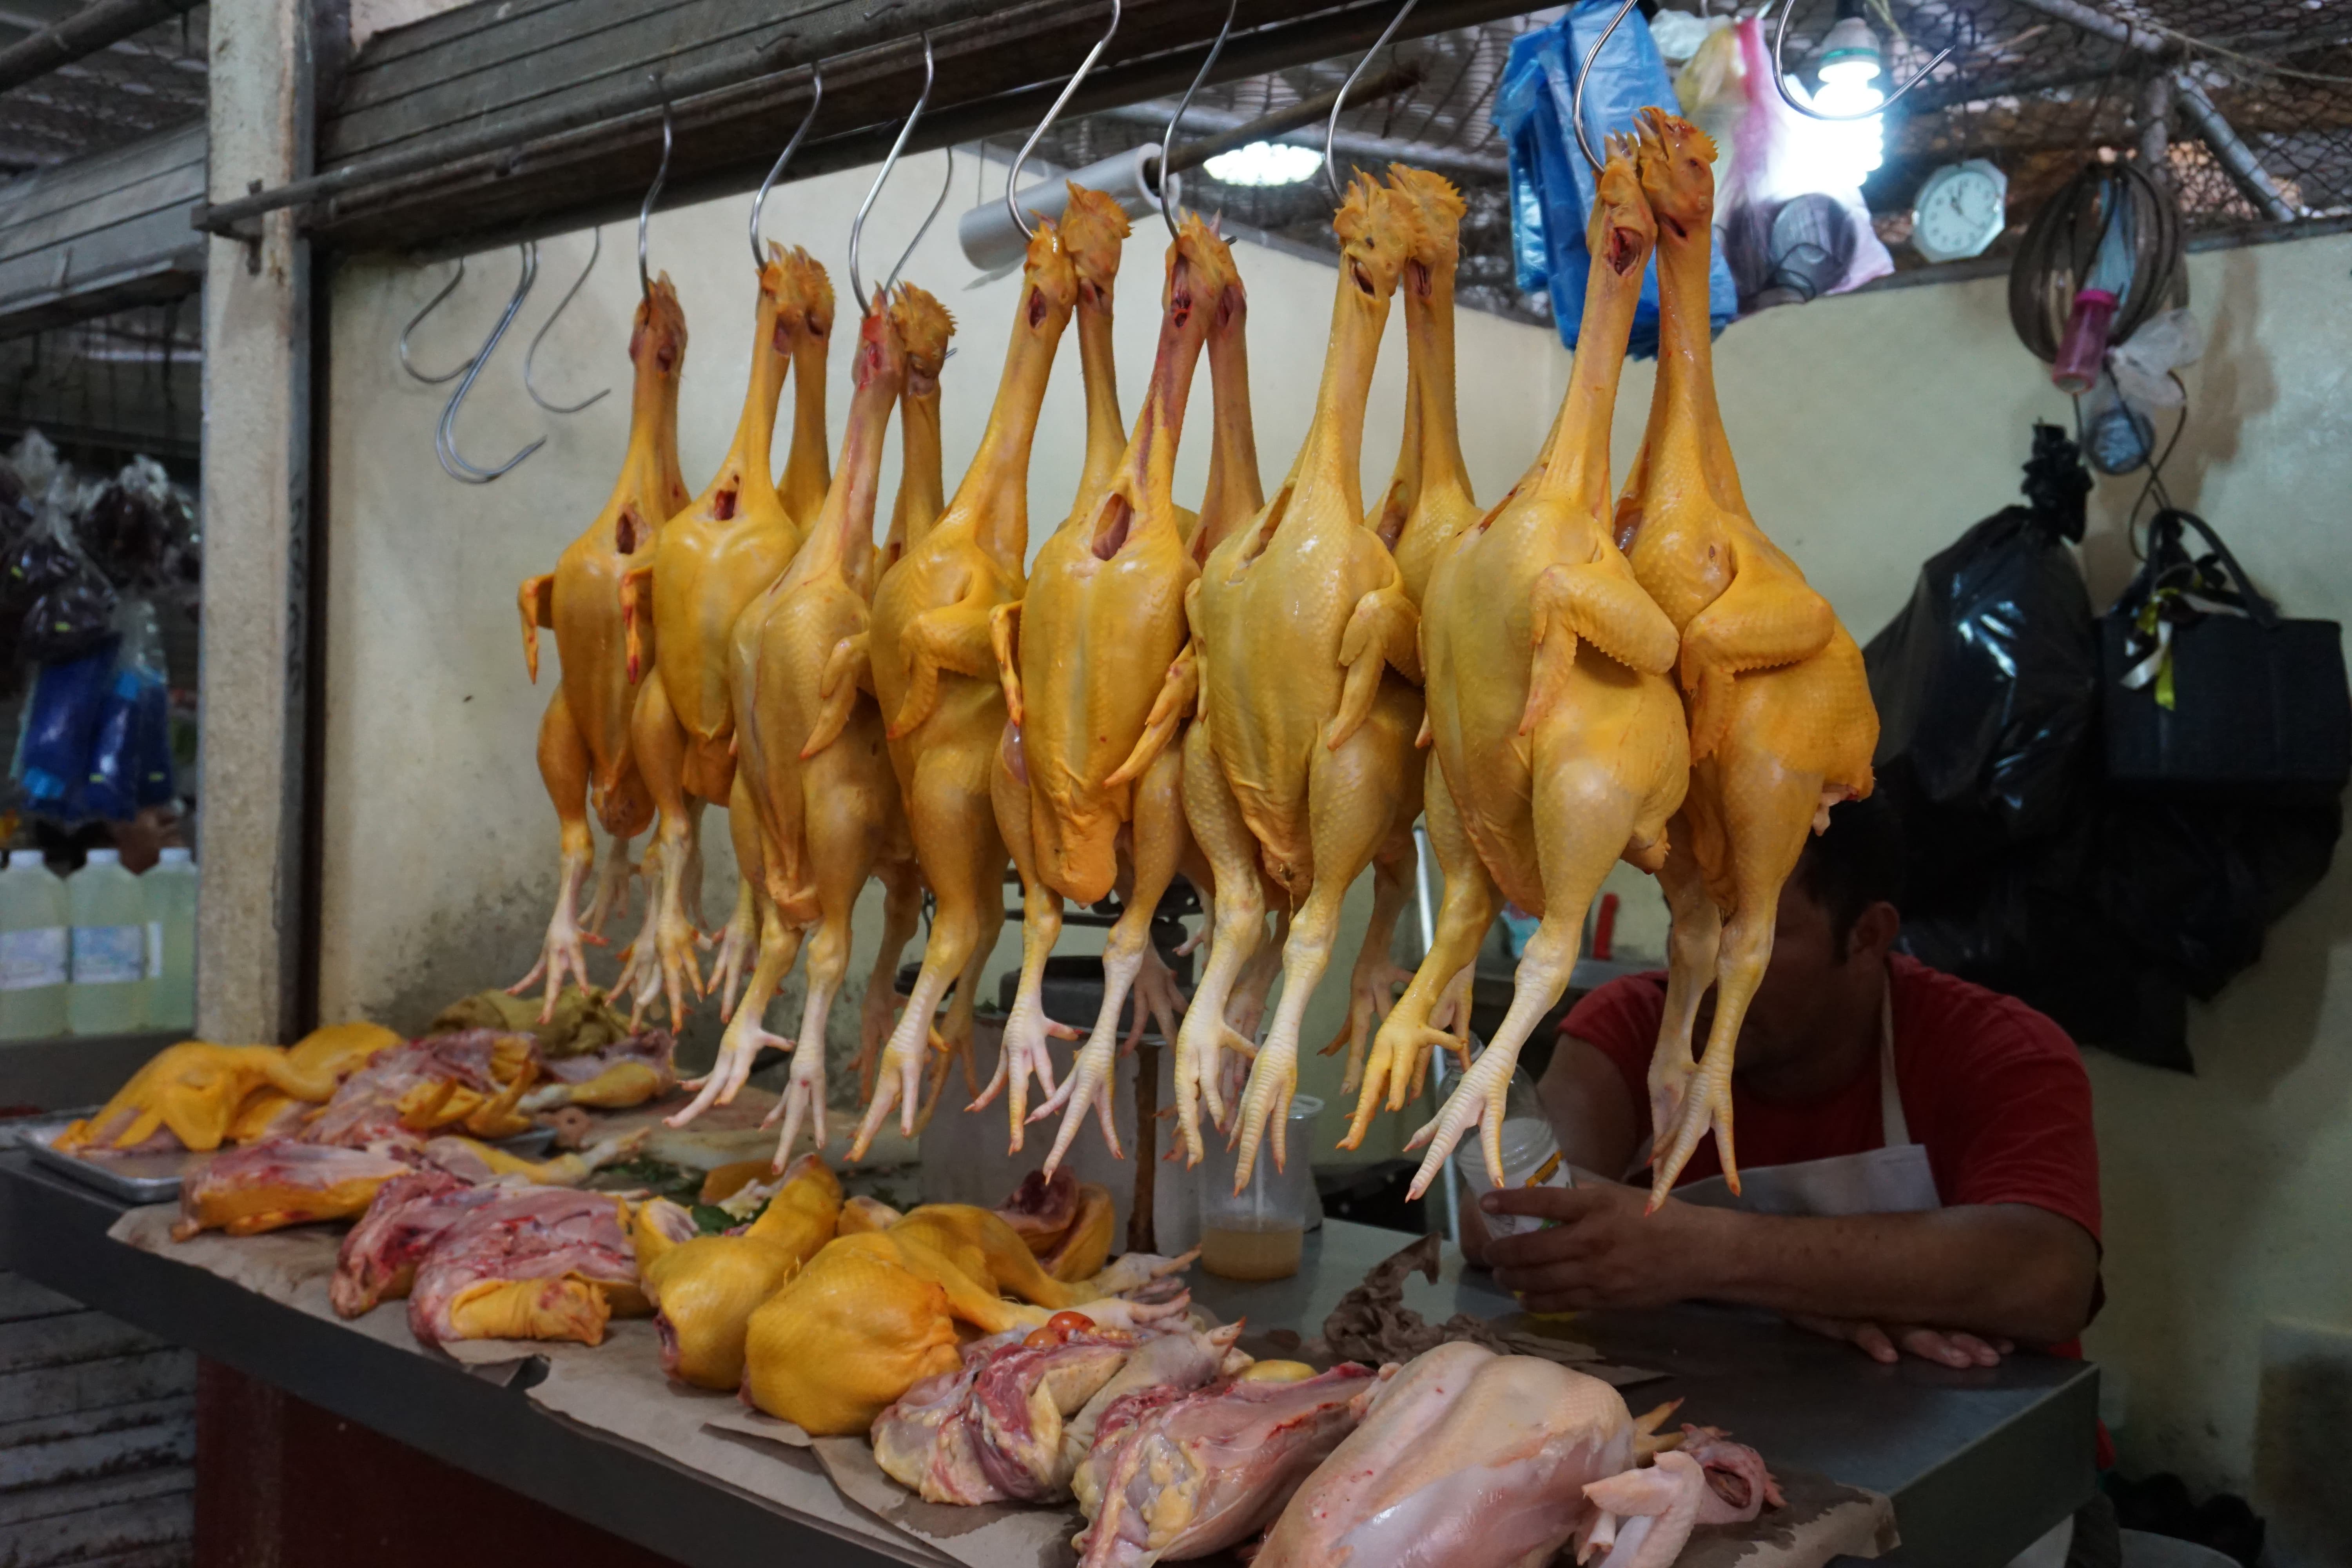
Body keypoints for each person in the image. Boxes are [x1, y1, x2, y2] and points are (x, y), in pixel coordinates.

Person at [1462, 791, 2102, 1372]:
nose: (1700, 969)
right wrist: (1827, 1283)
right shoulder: (1634, 1026)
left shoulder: (1994, 1050)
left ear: (1867, 935)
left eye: (1745, 932)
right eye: (1685, 922)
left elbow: (2048, 1273)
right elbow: (1502, 1213)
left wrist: (1710, 1254)